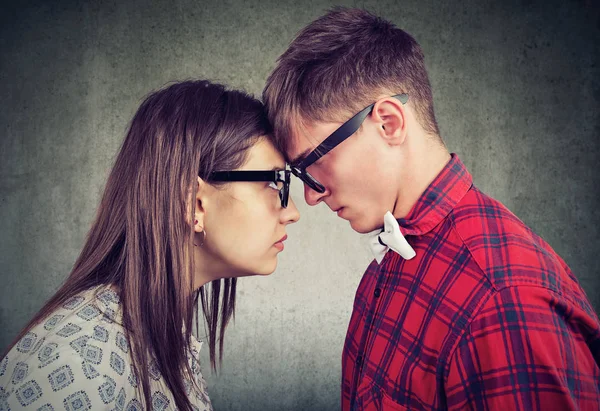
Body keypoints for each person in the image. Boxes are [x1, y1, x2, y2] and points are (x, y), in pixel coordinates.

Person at [263, 7, 600, 410]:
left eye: (312, 163)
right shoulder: (387, 268)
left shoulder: (503, 302)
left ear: (388, 122)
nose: (312, 196)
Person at [0, 80, 300, 410]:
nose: (293, 213)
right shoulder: (78, 363)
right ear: (194, 203)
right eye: (273, 182)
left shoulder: (159, 336)